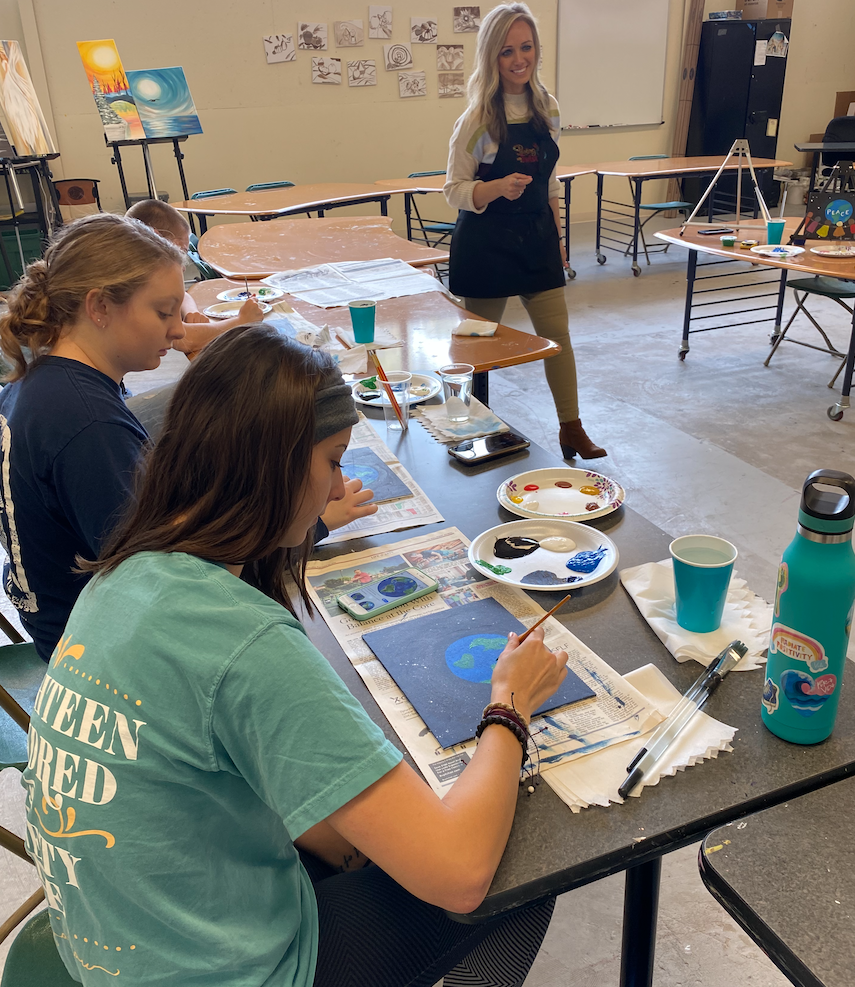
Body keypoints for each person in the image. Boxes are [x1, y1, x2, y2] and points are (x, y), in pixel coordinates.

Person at [24, 326, 566, 986]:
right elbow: (458, 873)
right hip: (216, 971)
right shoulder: (240, 638)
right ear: (272, 464)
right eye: (335, 460)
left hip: (110, 948)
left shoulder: (120, 578)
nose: (338, 489)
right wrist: (508, 704)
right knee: (528, 877)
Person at [0, 216, 372, 664]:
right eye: (162, 312)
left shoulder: (40, 385)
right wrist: (309, 523)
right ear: (99, 308)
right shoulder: (88, 425)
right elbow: (165, 580)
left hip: (49, 612)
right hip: (90, 648)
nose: (178, 330)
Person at [444, 2, 606, 461]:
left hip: (536, 239)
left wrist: (558, 243)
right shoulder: (477, 119)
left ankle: (571, 428)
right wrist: (494, 187)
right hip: (485, 244)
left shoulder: (546, 107)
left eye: (527, 47)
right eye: (507, 51)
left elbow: (551, 182)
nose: (519, 59)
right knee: (477, 350)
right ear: (490, 56)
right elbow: (453, 190)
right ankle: (470, 432)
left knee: (558, 338)